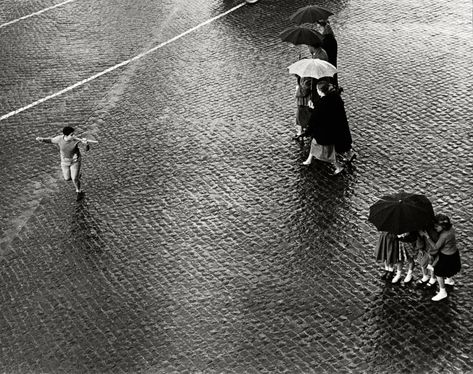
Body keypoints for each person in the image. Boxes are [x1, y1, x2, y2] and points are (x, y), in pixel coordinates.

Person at [301, 81, 345, 175]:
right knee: (314, 143)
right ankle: (309, 159)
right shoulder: (331, 99)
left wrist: (311, 108)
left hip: (324, 132)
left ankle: (338, 166)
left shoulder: (320, 103)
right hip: (331, 129)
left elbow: (315, 119)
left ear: (320, 91)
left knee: (328, 152)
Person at [36, 126, 90, 199]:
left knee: (74, 179)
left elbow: (86, 149)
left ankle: (79, 191)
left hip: (75, 162)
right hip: (64, 162)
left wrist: (86, 144)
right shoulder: (59, 139)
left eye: (74, 134)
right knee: (67, 178)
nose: (73, 136)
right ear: (66, 135)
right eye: (71, 135)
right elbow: (51, 140)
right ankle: (77, 176)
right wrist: (42, 139)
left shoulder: (76, 141)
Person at [419, 214, 461, 301]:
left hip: (446, 256)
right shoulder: (451, 229)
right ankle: (449, 281)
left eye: (437, 226)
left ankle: (442, 292)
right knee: (449, 269)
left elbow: (435, 247)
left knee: (438, 273)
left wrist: (427, 236)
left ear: (443, 226)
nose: (435, 228)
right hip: (453, 253)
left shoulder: (443, 236)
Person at [317, 20, 338, 86]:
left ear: (324, 27)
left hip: (328, 70)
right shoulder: (331, 37)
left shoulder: (327, 40)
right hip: (332, 68)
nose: (318, 30)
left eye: (319, 28)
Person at [293, 75, 313, 141]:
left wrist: (298, 89)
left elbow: (305, 89)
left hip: (303, 101)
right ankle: (301, 132)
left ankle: (301, 133)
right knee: (302, 116)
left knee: (301, 117)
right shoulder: (302, 77)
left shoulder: (305, 77)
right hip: (304, 101)